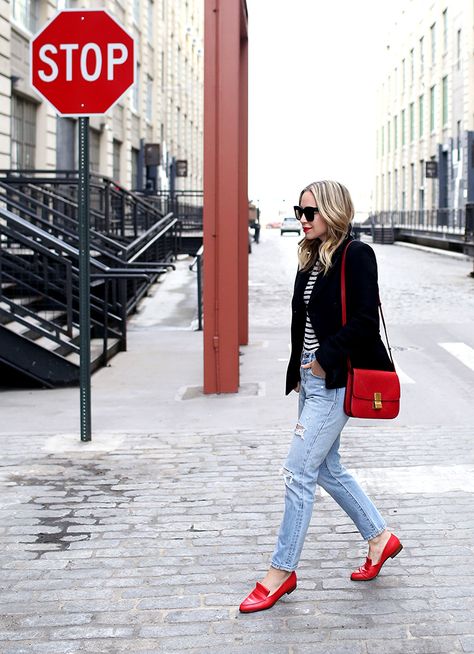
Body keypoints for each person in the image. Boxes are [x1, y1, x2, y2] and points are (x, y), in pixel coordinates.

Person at [239, 180, 403, 614]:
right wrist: (299, 367)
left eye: (310, 212)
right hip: (312, 376)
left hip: (335, 377)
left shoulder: (356, 254)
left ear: (332, 211)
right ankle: (380, 539)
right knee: (327, 468)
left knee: (297, 472)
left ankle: (281, 571)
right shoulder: (310, 257)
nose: (302, 219)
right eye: (299, 211)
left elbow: (366, 320)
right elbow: (304, 321)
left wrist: (323, 360)